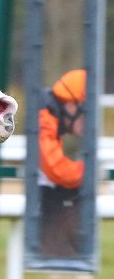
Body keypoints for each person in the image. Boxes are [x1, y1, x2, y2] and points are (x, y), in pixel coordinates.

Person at [37, 69, 86, 257]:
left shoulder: (51, 115)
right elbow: (59, 172)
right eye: (86, 113)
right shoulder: (44, 118)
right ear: (72, 106)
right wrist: (89, 171)